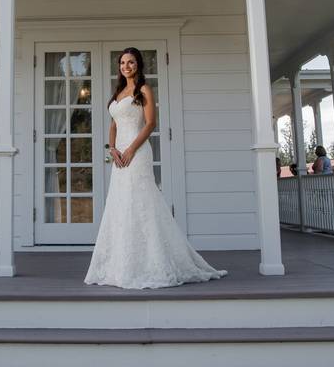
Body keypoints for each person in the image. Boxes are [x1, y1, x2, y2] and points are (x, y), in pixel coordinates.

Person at [84, 47, 227, 289]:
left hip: (138, 153)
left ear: (138, 64)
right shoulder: (119, 92)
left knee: (141, 201)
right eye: (122, 63)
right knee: (121, 203)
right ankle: (121, 263)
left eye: (130, 62)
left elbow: (150, 123)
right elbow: (113, 124)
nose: (126, 66)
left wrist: (130, 149)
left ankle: (153, 261)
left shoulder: (144, 90)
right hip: (119, 155)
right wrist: (113, 149)